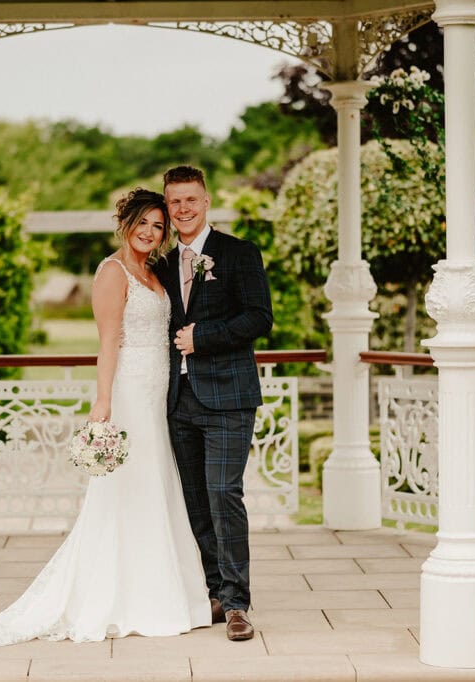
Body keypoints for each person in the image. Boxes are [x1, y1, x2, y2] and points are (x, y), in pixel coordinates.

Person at [0, 188, 210, 652]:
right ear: (125, 223)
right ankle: (124, 599)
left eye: (158, 226)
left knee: (158, 486)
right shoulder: (112, 271)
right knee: (128, 489)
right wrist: (103, 401)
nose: (150, 232)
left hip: (161, 392)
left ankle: (166, 594)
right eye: (143, 222)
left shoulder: (154, 271)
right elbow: (107, 342)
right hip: (128, 391)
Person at [156, 166, 273, 642]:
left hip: (228, 396)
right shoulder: (160, 264)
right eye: (174, 202)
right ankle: (214, 592)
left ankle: (239, 603)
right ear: (167, 206)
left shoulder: (238, 253)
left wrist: (203, 337)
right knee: (195, 502)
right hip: (177, 399)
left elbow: (259, 318)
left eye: (191, 200)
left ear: (206, 202)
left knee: (225, 494)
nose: (182, 209)